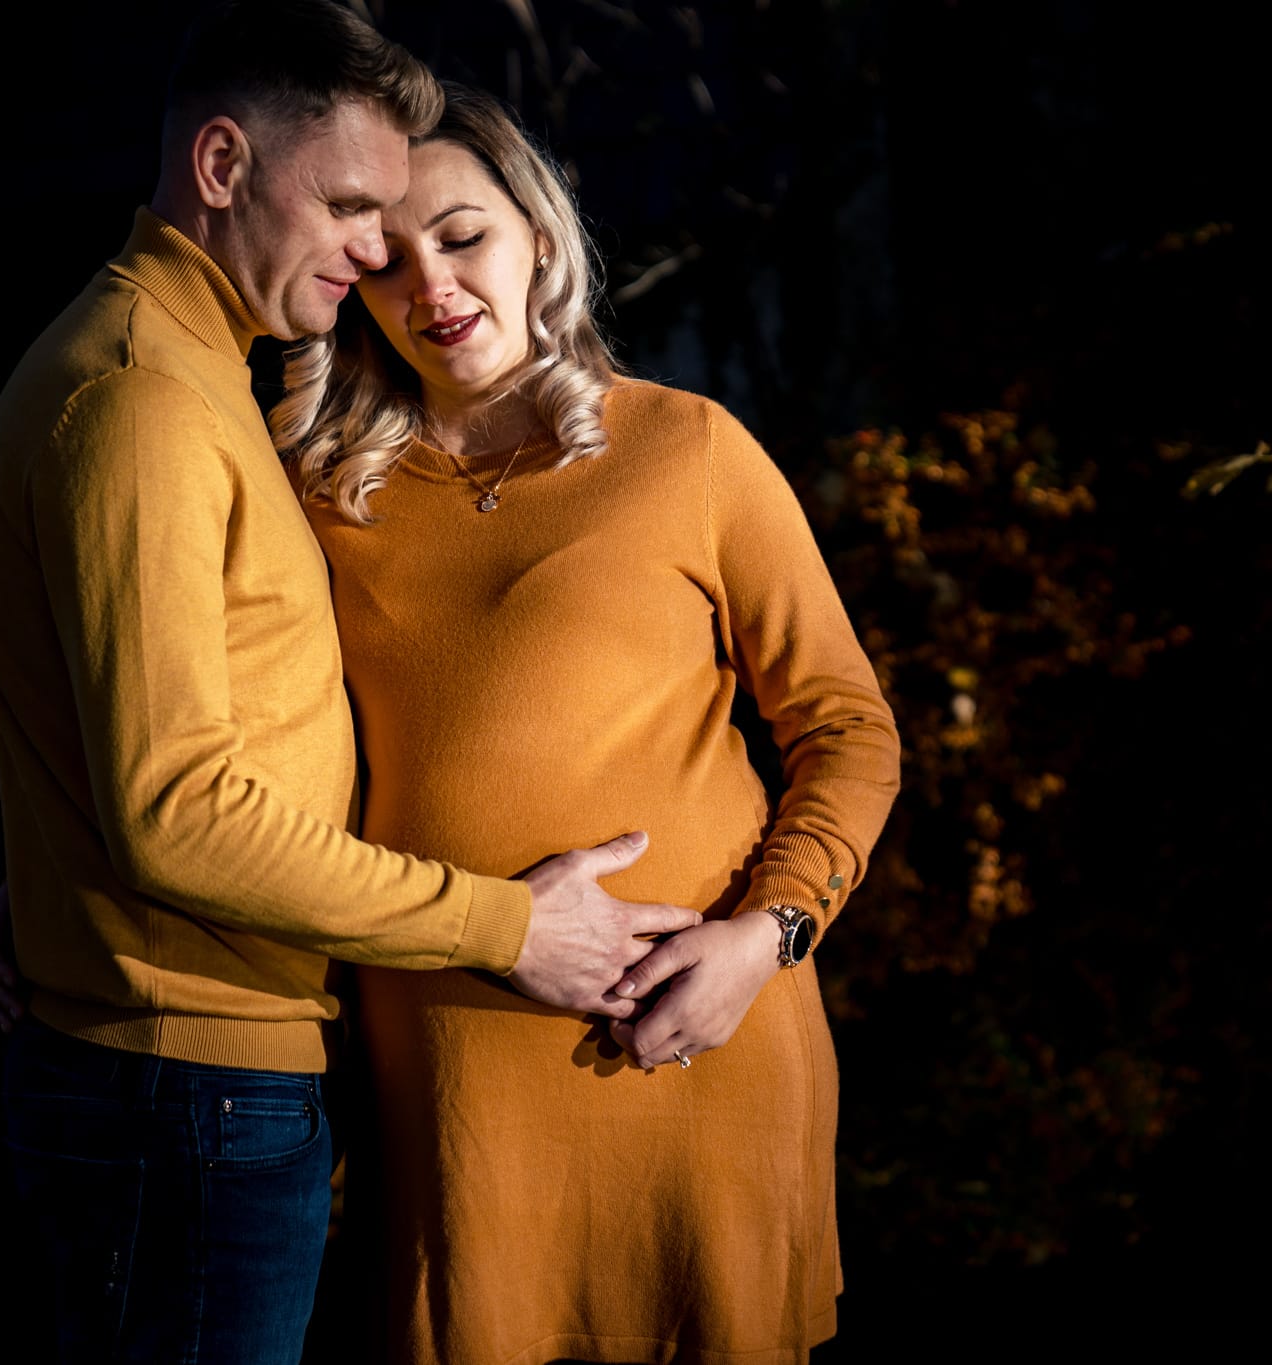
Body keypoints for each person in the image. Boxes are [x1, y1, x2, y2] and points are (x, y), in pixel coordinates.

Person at [0, 6, 699, 1361]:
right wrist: (509, 928)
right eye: (353, 206)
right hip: (186, 1084)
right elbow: (177, 811)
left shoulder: (188, 377)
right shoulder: (141, 403)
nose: (374, 252)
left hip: (195, 1071)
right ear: (222, 164)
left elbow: (124, 722)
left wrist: (46, 883)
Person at [269, 83, 902, 1364]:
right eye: (385, 258)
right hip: (454, 1065)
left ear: (538, 235)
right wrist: (53, 893)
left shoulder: (686, 447)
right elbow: (209, 734)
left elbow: (848, 728)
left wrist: (765, 940)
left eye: (463, 236)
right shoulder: (314, 495)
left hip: (702, 1039)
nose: (431, 284)